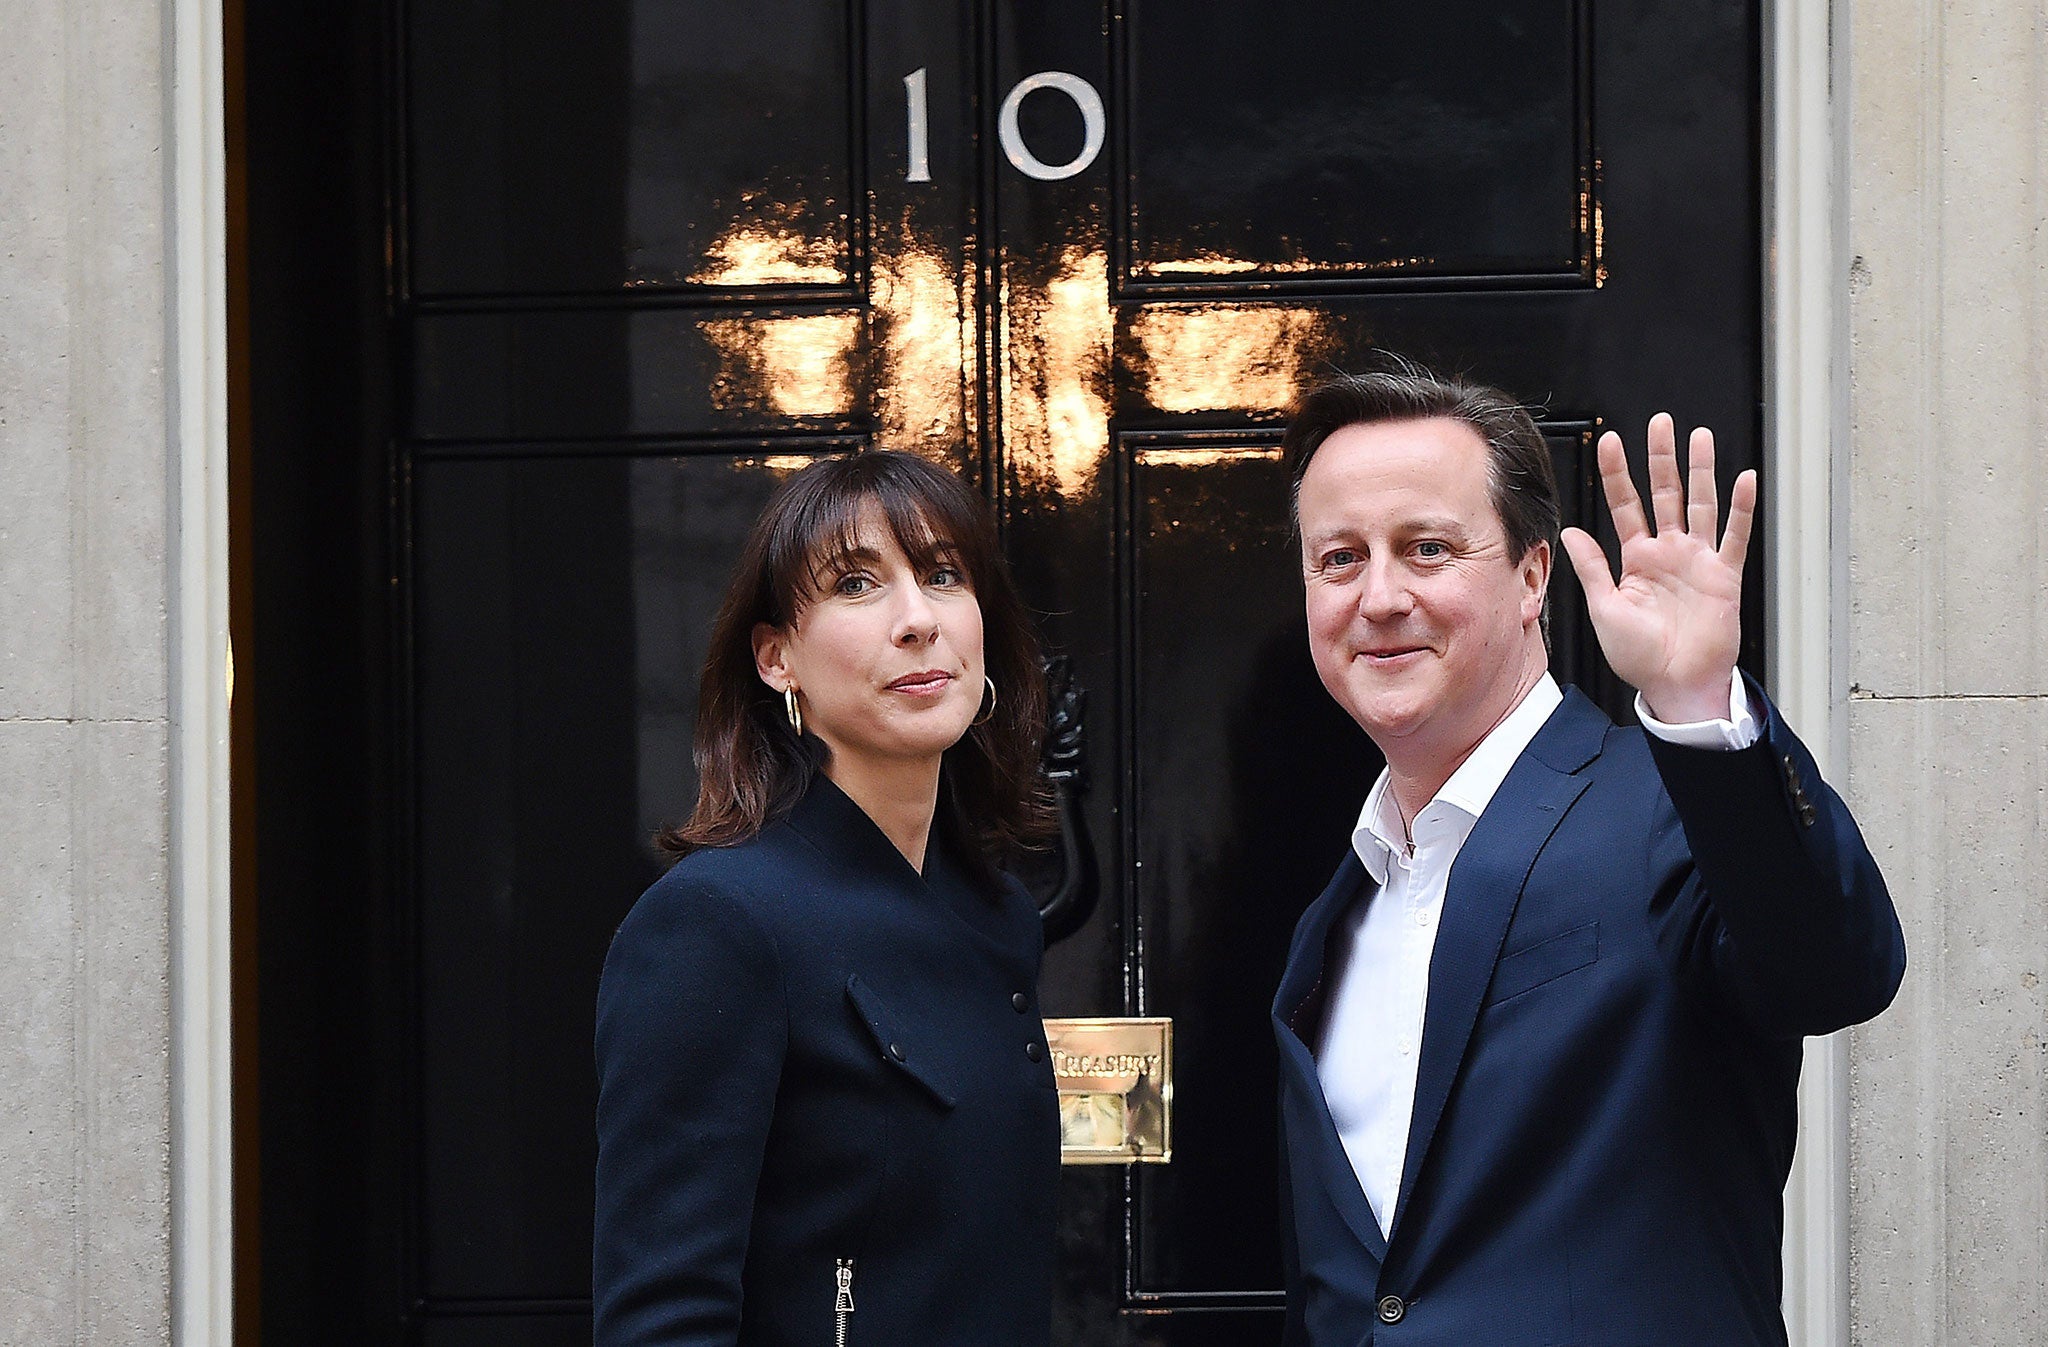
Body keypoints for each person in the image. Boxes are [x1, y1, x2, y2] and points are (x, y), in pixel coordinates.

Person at [1271, 361, 1906, 1346]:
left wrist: (1699, 707)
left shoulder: (1664, 808)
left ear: (1530, 577)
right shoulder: (1335, 916)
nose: (1378, 595)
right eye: (1339, 559)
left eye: (1426, 548)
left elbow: (1834, 972)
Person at [593, 451, 1060, 1347]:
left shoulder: (994, 913)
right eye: (857, 582)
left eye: (942, 574)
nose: (918, 619)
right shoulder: (717, 922)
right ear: (777, 658)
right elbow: (664, 1317)